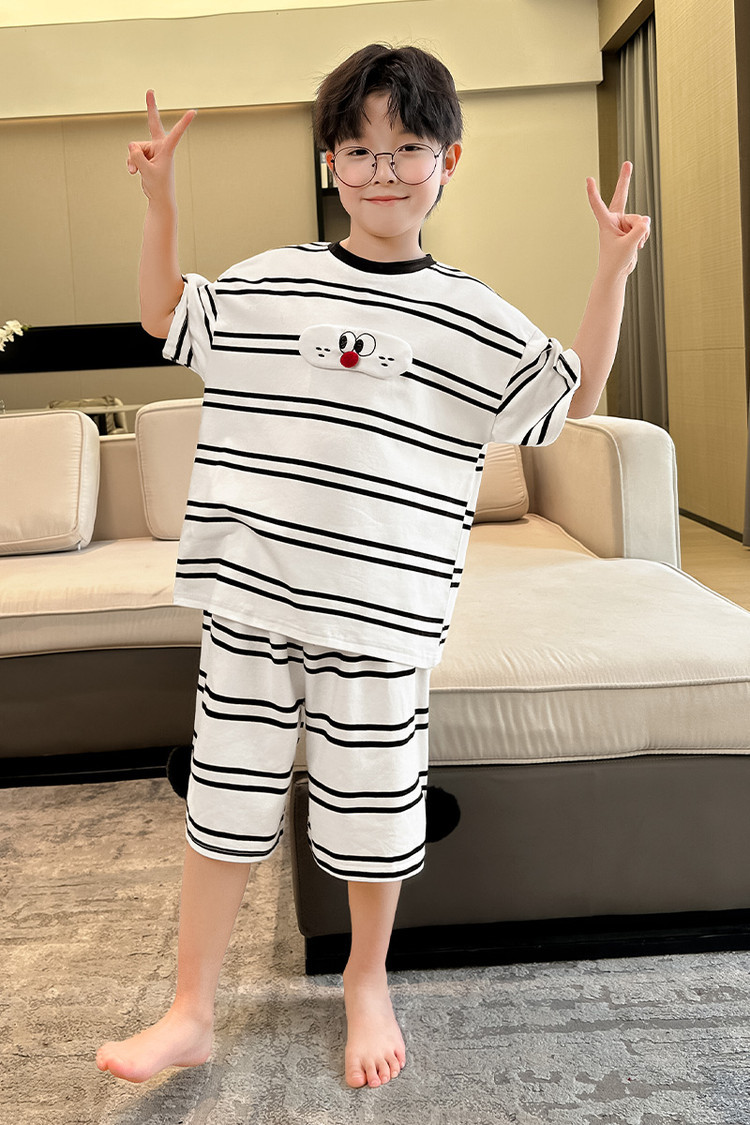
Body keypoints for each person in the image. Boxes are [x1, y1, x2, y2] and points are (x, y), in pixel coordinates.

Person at [96, 43, 650, 1090]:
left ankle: (366, 982)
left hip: (382, 615)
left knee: (374, 811)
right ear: (331, 164)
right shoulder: (275, 279)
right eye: (359, 150)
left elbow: (570, 396)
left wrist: (612, 270)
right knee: (223, 803)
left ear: (449, 161)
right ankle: (190, 1009)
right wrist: (159, 198)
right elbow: (168, 312)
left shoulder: (471, 314)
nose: (383, 171)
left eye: (407, 149)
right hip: (254, 601)